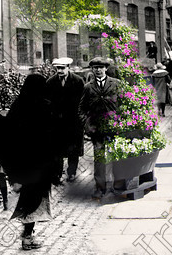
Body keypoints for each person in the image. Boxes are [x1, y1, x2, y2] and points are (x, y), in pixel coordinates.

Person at [2, 74, 54, 251]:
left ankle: (28, 235)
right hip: (39, 164)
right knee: (34, 199)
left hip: (22, 163)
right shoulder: (44, 106)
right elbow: (50, 137)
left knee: (27, 198)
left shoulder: (17, 106)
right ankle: (27, 237)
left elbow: (7, 136)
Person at [78, 56, 121, 199]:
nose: (98, 70)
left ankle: (118, 186)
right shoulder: (88, 87)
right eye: (95, 68)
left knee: (117, 156)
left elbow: (124, 104)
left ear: (106, 69)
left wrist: (121, 121)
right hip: (97, 129)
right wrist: (87, 124)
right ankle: (100, 188)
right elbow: (81, 109)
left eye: (101, 67)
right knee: (99, 159)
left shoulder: (116, 84)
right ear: (92, 69)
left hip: (114, 127)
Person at [45, 57, 85, 184]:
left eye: (62, 68)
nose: (60, 71)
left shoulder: (78, 81)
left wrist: (81, 118)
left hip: (73, 122)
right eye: (58, 68)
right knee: (57, 150)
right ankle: (57, 174)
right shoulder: (50, 82)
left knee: (73, 149)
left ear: (68, 67)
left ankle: (72, 173)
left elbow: (82, 101)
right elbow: (47, 101)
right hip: (57, 123)